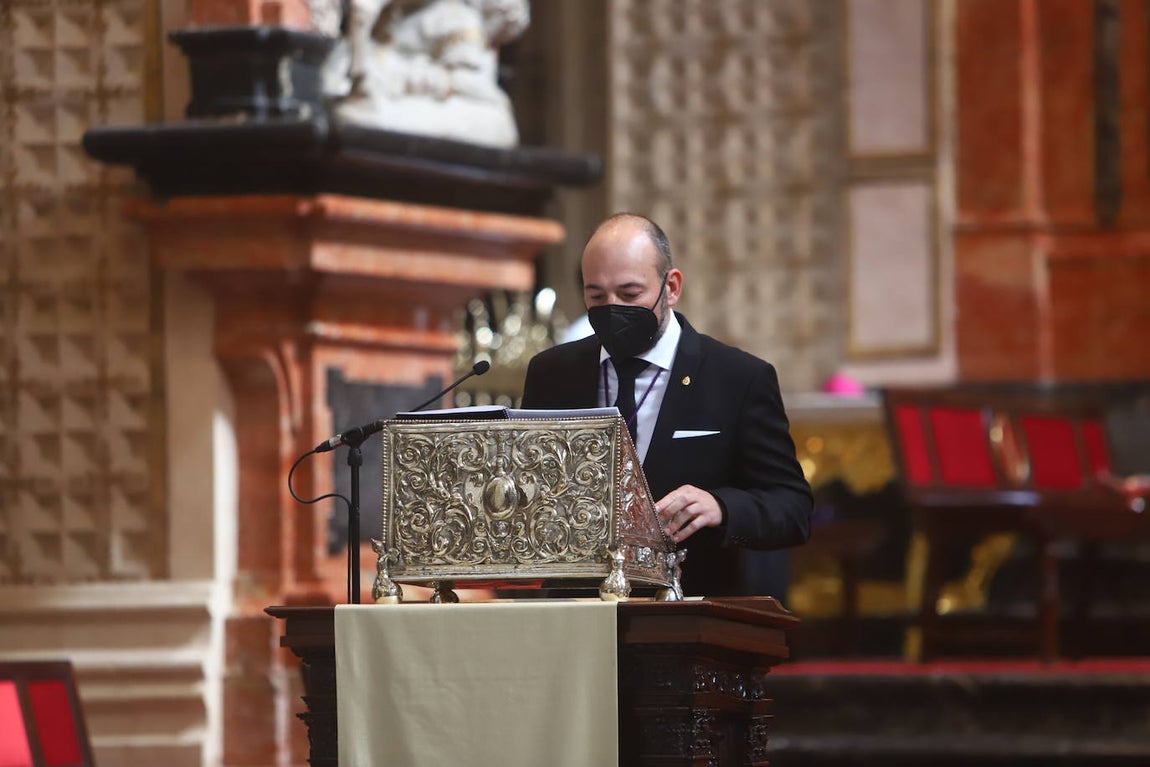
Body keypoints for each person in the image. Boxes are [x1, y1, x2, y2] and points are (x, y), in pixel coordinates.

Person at [521, 213, 813, 597]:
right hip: (576, 610)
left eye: (629, 295)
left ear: (671, 287)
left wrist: (721, 507)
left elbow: (792, 509)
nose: (612, 309)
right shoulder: (552, 373)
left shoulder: (738, 377)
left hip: (692, 609)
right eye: (596, 296)